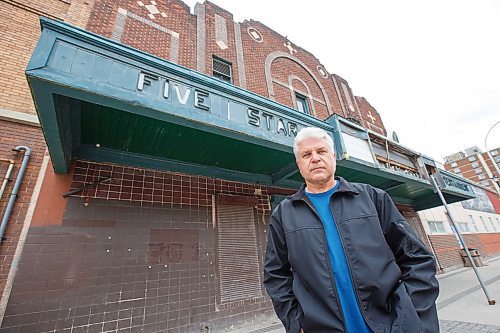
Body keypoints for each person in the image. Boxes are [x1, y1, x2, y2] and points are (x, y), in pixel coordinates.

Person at [263, 127, 439, 333]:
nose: (315, 158)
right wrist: (296, 324)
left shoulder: (373, 198)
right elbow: (275, 275)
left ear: (334, 157)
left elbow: (417, 258)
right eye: (306, 154)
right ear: (299, 164)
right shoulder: (284, 214)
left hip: (390, 326)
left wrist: (411, 316)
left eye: (321, 151)